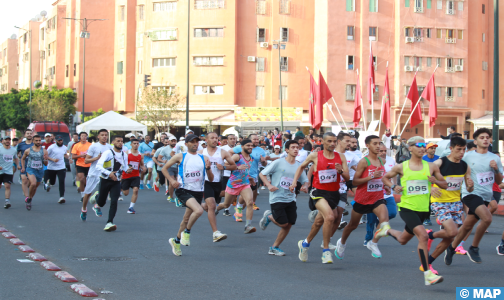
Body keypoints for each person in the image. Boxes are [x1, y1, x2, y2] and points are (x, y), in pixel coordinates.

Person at [382, 136, 447, 286]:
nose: (422, 148)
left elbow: (444, 184)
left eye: (424, 145)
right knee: (423, 236)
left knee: (403, 240)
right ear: (410, 148)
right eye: (418, 145)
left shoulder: (431, 167)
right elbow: (385, 178)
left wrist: (435, 182)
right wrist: (393, 187)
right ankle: (427, 273)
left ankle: (386, 230)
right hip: (407, 207)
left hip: (423, 209)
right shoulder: (401, 167)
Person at [443, 128, 503, 264]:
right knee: (487, 218)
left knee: (467, 226)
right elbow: (450, 159)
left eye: (488, 137)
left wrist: (496, 169)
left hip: (486, 195)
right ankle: (474, 248)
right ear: (475, 141)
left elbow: (499, 182)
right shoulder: (468, 156)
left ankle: (451, 248)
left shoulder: (495, 158)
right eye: (482, 137)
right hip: (470, 193)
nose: (486, 139)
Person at [293, 132, 349, 264]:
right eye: (329, 141)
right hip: (318, 192)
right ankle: (326, 252)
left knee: (319, 222)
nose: (332, 144)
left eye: (334, 141)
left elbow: (347, 177)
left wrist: (341, 171)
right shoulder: (315, 155)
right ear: (322, 142)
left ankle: (305, 244)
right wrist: (295, 182)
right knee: (330, 217)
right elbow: (301, 167)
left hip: (334, 193)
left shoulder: (341, 157)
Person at [335, 135, 392, 260]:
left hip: (377, 197)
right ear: (368, 145)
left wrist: (386, 186)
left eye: (379, 143)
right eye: (375, 143)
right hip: (363, 199)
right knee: (352, 225)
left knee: (385, 222)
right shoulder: (363, 161)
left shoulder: (382, 161)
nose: (378, 146)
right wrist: (371, 177)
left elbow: (381, 177)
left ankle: (373, 242)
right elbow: (355, 182)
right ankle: (342, 242)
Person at [425, 137, 473, 274]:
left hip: (456, 203)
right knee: (453, 232)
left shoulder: (464, 166)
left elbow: (469, 188)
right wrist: (431, 188)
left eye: (464, 150)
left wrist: (470, 186)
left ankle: (427, 262)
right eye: (459, 149)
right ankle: (430, 235)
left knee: (450, 237)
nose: (462, 153)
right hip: (439, 201)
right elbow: (423, 176)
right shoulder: (440, 162)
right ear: (451, 149)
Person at [164, 134, 213, 256]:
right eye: (192, 142)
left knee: (186, 218)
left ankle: (176, 241)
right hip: (183, 190)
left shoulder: (204, 157)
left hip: (198, 191)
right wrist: (172, 181)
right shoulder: (181, 156)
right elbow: (164, 168)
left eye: (197, 142)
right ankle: (187, 232)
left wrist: (208, 169)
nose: (195, 144)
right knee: (199, 210)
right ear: (186, 144)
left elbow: (211, 179)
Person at [258, 140, 309, 256]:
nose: (296, 149)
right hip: (277, 197)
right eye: (293, 147)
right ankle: (269, 216)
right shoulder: (278, 162)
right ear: (286, 150)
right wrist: (269, 185)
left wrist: (305, 187)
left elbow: (305, 181)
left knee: (289, 224)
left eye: (297, 147)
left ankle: (274, 247)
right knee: (283, 223)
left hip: (291, 198)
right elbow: (262, 173)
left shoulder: (299, 166)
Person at [199, 132, 237, 242]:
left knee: (209, 207)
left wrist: (224, 167)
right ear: (206, 140)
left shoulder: (223, 152)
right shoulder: (201, 153)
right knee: (211, 206)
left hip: (218, 183)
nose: (215, 140)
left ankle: (199, 204)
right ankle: (216, 233)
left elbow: (234, 165)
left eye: (216, 138)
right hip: (206, 182)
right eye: (212, 138)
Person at [215, 139, 256, 231]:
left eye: (251, 145)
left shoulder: (251, 158)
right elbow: (224, 165)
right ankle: (216, 209)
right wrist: (237, 167)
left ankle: (248, 226)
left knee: (249, 202)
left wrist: (250, 178)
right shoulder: (237, 156)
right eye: (248, 145)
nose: (250, 147)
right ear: (242, 147)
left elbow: (245, 171)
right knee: (226, 204)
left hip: (244, 184)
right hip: (233, 184)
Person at [95, 136, 132, 231]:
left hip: (116, 181)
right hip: (105, 179)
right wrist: (109, 173)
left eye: (121, 141)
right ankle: (96, 197)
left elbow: (124, 167)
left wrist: (128, 170)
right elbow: (98, 166)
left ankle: (109, 222)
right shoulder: (108, 153)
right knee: (101, 203)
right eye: (118, 141)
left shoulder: (124, 155)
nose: (120, 143)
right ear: (113, 142)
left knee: (114, 201)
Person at [364, 143, 397, 246]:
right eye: (381, 151)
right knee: (371, 220)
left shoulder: (391, 160)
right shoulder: (367, 160)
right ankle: (368, 238)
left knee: (392, 213)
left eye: (385, 151)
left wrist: (394, 186)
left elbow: (394, 174)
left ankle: (377, 230)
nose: (383, 153)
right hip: (373, 194)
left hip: (387, 194)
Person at [228, 134, 267, 211]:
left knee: (250, 196)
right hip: (241, 175)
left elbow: (264, 164)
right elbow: (230, 152)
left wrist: (263, 161)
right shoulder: (241, 147)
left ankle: (239, 209)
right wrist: (234, 164)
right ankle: (235, 207)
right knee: (245, 194)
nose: (256, 141)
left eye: (257, 139)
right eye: (254, 139)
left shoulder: (261, 150)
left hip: (254, 175)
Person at [81, 129, 113, 221]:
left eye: (106, 135)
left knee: (107, 190)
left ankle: (97, 205)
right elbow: (86, 160)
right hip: (94, 173)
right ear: (98, 136)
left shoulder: (109, 147)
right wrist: (97, 158)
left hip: (104, 173)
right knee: (87, 193)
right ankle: (84, 209)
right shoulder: (93, 146)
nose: (104, 137)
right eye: (102, 135)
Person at [20, 135, 48, 211]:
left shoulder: (44, 151)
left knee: (35, 187)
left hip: (40, 170)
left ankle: (30, 199)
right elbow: (22, 159)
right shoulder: (28, 150)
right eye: (36, 140)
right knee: (33, 183)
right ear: (33, 141)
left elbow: (46, 164)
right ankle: (29, 198)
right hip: (30, 169)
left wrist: (45, 159)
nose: (38, 142)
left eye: (39, 140)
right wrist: (23, 167)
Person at [121, 139, 144, 214]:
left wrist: (143, 168)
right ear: (131, 144)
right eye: (134, 143)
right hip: (126, 175)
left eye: (137, 143)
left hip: (136, 175)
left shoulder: (140, 155)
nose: (136, 145)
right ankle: (120, 188)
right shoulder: (127, 153)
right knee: (126, 193)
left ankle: (131, 207)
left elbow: (141, 164)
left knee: (136, 190)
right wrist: (126, 168)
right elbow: (122, 164)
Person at [45, 136, 69, 204]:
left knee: (61, 181)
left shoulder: (64, 147)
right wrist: (53, 160)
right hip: (52, 167)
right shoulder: (51, 147)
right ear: (55, 140)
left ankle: (62, 197)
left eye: (61, 140)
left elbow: (65, 154)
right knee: (53, 182)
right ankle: (49, 183)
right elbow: (46, 156)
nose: (60, 142)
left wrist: (69, 158)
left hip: (61, 167)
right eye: (58, 141)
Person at [422, 143, 440, 226]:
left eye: (434, 148)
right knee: (427, 201)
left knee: (434, 200)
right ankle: (426, 218)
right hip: (426, 182)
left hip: (436, 182)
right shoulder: (423, 159)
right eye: (431, 148)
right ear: (427, 149)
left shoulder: (438, 158)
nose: (433, 149)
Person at [219, 134, 237, 216]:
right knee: (223, 192)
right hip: (225, 173)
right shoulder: (222, 149)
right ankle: (219, 204)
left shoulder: (238, 148)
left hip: (235, 173)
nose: (233, 140)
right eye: (231, 139)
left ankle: (226, 209)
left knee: (232, 192)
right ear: (227, 140)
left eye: (234, 139)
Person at [72, 132, 92, 201]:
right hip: (80, 164)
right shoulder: (76, 145)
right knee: (81, 179)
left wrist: (88, 156)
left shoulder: (90, 145)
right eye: (82, 136)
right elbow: (73, 156)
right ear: (80, 137)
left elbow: (94, 154)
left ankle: (86, 193)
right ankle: (83, 195)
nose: (84, 137)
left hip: (89, 165)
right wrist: (81, 155)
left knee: (87, 182)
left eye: (85, 136)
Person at [1, 137, 19, 209]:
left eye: (9, 140)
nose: (8, 141)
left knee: (7, 186)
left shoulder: (13, 150)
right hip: (0, 171)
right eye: (6, 140)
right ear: (3, 141)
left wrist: (18, 165)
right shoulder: (0, 149)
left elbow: (16, 158)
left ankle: (7, 201)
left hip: (8, 171)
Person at [17, 129, 34, 200]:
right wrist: (19, 157)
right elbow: (17, 153)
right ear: (25, 135)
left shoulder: (34, 144)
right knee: (24, 180)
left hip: (32, 164)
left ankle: (26, 189)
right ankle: (27, 197)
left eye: (30, 133)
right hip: (23, 163)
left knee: (31, 182)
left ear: (32, 135)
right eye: (28, 133)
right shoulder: (21, 144)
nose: (29, 135)